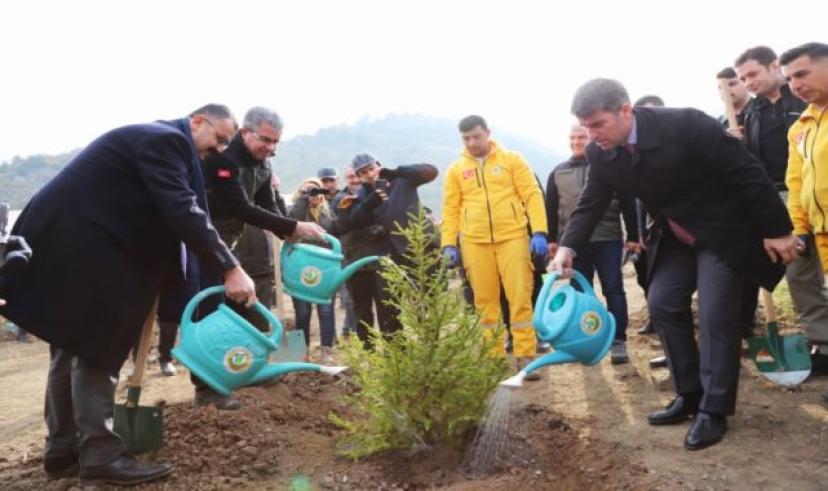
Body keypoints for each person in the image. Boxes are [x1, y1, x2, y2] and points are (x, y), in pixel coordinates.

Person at [0, 104, 257, 485]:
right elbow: (181, 207)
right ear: (197, 122)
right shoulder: (167, 141)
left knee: (69, 346)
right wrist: (229, 266)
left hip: (65, 240)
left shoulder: (152, 139)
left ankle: (63, 451)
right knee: (98, 345)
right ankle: (100, 456)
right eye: (218, 139)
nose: (219, 149)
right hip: (86, 245)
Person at [551, 78, 798, 450]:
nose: (592, 134)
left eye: (598, 124)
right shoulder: (601, 153)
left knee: (716, 314)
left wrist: (777, 230)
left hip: (722, 229)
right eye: (586, 126)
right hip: (675, 234)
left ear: (625, 111)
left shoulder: (686, 125)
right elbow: (592, 202)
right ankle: (690, 394)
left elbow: (746, 171)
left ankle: (714, 410)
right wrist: (567, 247)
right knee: (662, 302)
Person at [197, 106, 325, 410]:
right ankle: (207, 389)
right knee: (213, 315)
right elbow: (241, 207)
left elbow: (267, 204)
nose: (271, 148)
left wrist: (287, 232)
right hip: (205, 240)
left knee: (249, 313)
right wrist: (293, 226)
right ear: (245, 132)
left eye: (275, 142)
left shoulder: (264, 164)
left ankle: (248, 372)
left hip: (232, 242)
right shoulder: (222, 159)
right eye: (265, 140)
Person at [440, 115, 548, 380]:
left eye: (476, 136)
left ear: (488, 132)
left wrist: (539, 231)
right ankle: (493, 358)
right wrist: (448, 243)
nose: (472, 142)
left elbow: (532, 194)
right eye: (466, 138)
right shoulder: (456, 170)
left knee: (520, 297)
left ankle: (526, 357)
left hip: (513, 237)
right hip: (474, 242)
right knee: (485, 303)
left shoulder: (512, 159)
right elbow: (451, 209)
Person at [735, 46, 828, 343]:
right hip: (786, 200)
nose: (749, 82)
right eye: (743, 78)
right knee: (799, 274)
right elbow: (785, 172)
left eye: (753, 74)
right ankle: (821, 342)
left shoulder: (803, 102)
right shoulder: (753, 114)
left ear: (773, 67)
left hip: (819, 198)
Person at [546, 124, 638, 364]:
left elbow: (628, 202)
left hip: (607, 237)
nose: (577, 142)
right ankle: (585, 338)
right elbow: (551, 209)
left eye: (582, 137)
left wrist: (633, 235)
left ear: (591, 139)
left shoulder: (607, 167)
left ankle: (618, 340)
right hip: (574, 244)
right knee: (578, 293)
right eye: (573, 137)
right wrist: (552, 240)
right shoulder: (557, 172)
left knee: (613, 288)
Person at [338, 152, 438, 346]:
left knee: (425, 302)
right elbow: (354, 221)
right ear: (359, 176)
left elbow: (431, 171)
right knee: (390, 307)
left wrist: (397, 171)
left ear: (379, 165)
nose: (369, 174)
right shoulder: (363, 193)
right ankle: (396, 352)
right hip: (391, 257)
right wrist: (370, 203)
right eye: (363, 172)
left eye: (371, 168)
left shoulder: (402, 179)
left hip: (419, 249)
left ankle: (430, 346)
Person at [780, 42, 828, 376]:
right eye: (789, 79)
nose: (795, 85)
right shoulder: (801, 128)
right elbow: (796, 184)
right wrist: (799, 227)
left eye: (802, 74)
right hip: (819, 231)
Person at [288, 177, 338, 363]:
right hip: (298, 268)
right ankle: (301, 353)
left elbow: (337, 233)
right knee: (302, 312)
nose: (314, 194)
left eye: (316, 191)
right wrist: (304, 199)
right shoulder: (293, 209)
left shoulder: (329, 213)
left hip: (325, 270)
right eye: (308, 191)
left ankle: (327, 352)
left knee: (326, 310)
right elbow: (291, 223)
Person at [332, 165, 365, 339]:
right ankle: (351, 335)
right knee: (350, 299)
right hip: (348, 255)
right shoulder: (340, 199)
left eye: (357, 175)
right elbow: (336, 226)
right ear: (346, 179)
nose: (355, 180)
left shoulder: (374, 194)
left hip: (370, 255)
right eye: (351, 177)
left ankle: (353, 332)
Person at [716, 67, 753, 133]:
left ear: (745, 83)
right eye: (720, 87)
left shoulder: (764, 111)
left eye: (732, 84)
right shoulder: (718, 125)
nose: (726, 90)